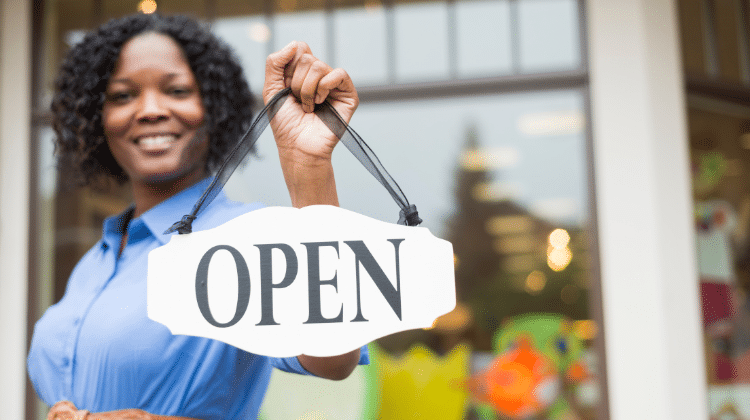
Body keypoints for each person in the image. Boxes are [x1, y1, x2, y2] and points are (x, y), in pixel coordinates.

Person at [27, 13, 367, 420]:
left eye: (177, 90)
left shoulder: (242, 238)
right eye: (122, 96)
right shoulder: (95, 261)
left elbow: (333, 358)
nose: (150, 110)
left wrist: (307, 164)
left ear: (213, 108)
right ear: (97, 119)